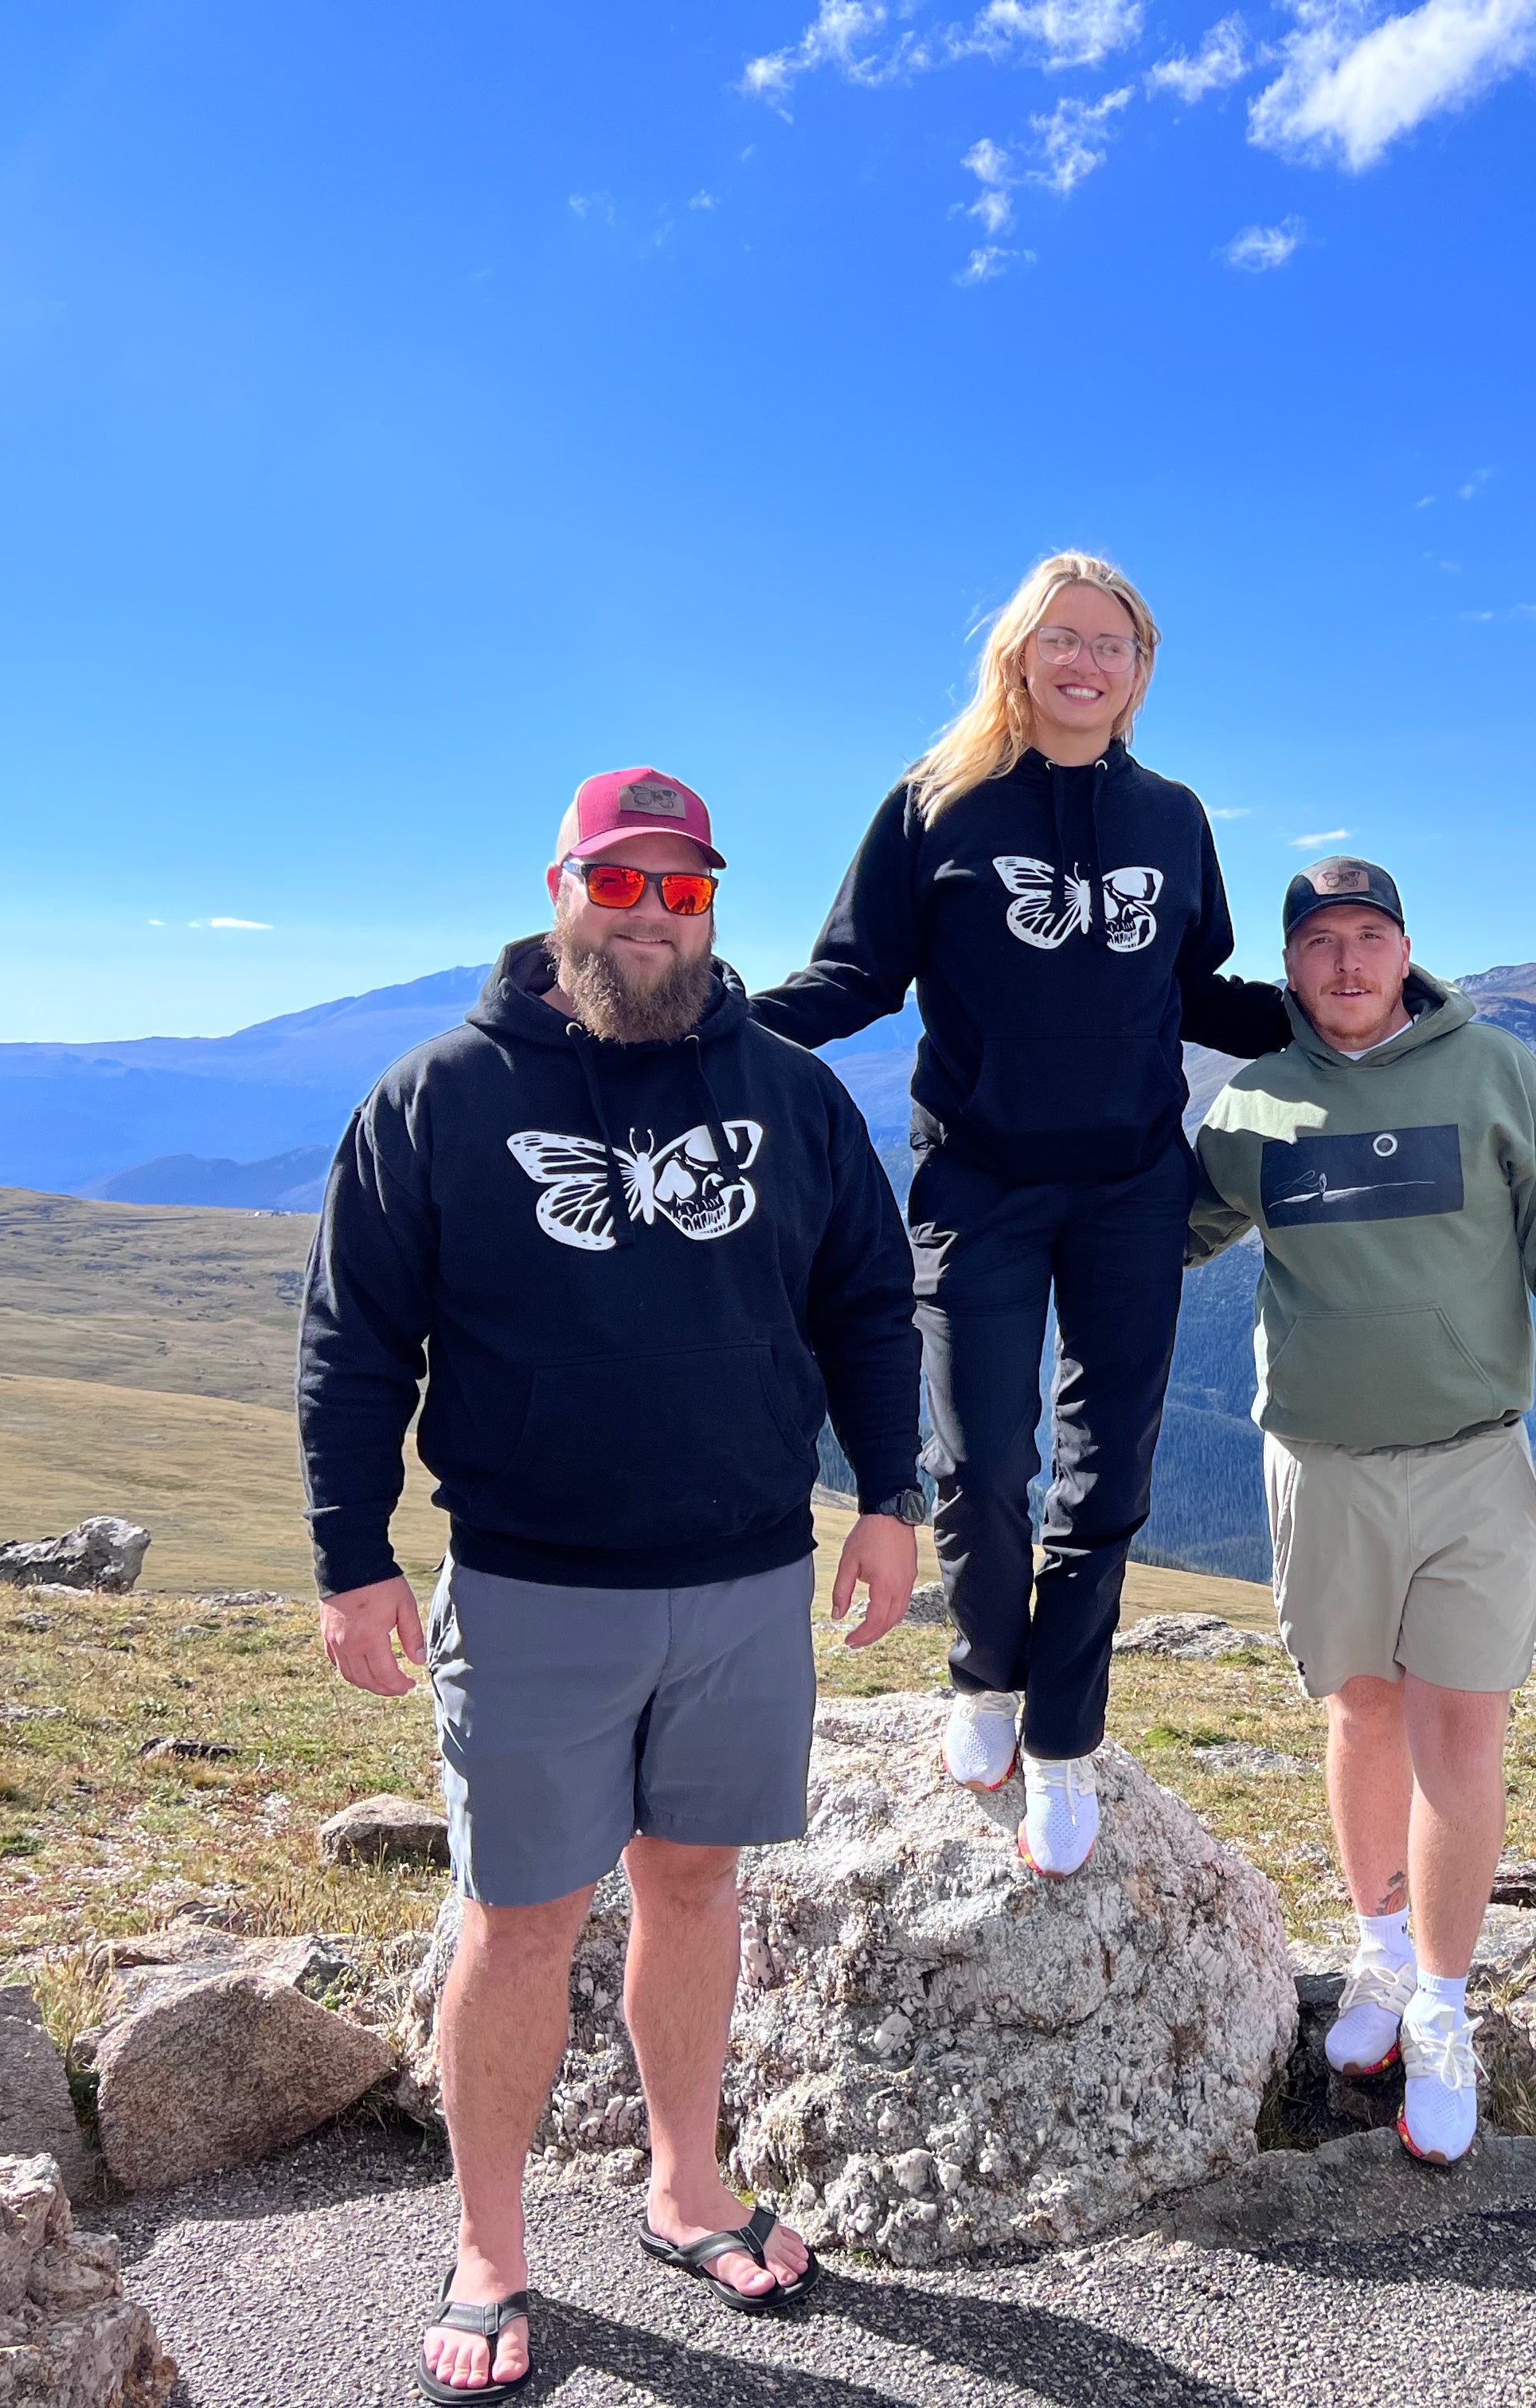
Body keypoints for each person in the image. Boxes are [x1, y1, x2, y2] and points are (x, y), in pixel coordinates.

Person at [297, 768, 925, 2402]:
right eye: (621, 884)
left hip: (742, 1578)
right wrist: (350, 1557)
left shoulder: (789, 1094)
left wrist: (891, 1499)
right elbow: (356, 1344)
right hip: (528, 1586)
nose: (652, 917)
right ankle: (492, 2247)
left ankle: (683, 2185)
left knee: (697, 1885)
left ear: (716, 910)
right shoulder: (438, 1097)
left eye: (685, 891)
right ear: (561, 888)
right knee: (519, 1923)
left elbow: (865, 1298)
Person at [748, 552, 1285, 1878]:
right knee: (981, 1463)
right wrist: (715, 1025)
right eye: (1064, 640)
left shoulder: (1173, 815)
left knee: (1107, 1477)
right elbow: (857, 976)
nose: (1087, 663)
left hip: (1129, 1188)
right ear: (1019, 657)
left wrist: (1354, 1010)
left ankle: (1063, 1739)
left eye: (1114, 645)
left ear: (1142, 672)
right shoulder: (938, 807)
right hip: (976, 1182)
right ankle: (983, 1672)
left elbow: (1194, 986)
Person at [1186, 856, 1536, 2162]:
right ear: (1289, 968)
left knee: (1462, 1731)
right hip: (1319, 1465)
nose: (1346, 964)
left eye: (1367, 937)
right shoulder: (1256, 1100)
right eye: (1318, 943)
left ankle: (1441, 2006)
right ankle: (1375, 1954)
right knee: (1358, 1710)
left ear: (1406, 949)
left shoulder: (1496, 1075)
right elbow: (1177, 1230)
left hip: (1475, 1457)